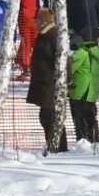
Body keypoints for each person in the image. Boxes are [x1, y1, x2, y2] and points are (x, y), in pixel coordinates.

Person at [27, 8, 67, 153]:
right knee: (46, 116)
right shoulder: (44, 35)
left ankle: (58, 148)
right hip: (44, 82)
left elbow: (63, 59)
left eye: (36, 20)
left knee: (49, 116)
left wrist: (65, 80)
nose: (34, 23)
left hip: (50, 83)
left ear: (43, 21)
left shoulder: (52, 35)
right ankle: (53, 146)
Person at [68, 26, 99, 143]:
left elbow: (70, 68)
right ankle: (94, 140)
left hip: (79, 91)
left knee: (79, 119)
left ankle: (82, 141)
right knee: (91, 118)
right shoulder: (97, 51)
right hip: (92, 91)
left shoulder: (81, 53)